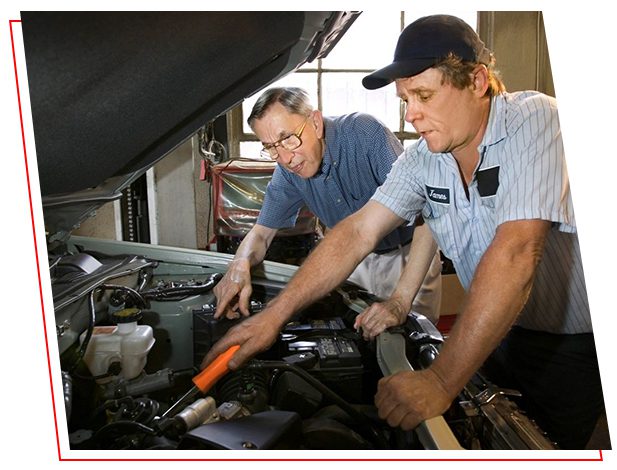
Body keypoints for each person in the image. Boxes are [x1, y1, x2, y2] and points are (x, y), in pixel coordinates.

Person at [202, 15, 606, 449]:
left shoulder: (537, 120)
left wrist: (440, 378)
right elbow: (357, 231)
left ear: (477, 81)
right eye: (405, 98)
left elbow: (516, 252)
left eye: (424, 95)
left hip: (573, 343)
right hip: (494, 327)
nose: (411, 114)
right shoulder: (423, 159)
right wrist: (272, 318)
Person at [213, 87, 442, 332]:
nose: (286, 158)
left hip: (408, 255)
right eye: (271, 147)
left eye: (288, 138)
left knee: (415, 341)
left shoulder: (365, 134)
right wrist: (239, 265)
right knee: (359, 342)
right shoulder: (287, 173)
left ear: (315, 123)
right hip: (350, 260)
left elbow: (426, 214)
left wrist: (400, 299)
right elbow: (260, 233)